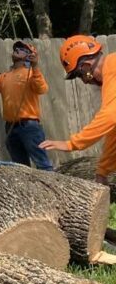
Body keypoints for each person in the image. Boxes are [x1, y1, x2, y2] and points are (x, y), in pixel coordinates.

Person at [40, 35, 115, 185]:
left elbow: (110, 116)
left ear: (86, 67)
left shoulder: (113, 66)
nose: (85, 82)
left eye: (80, 76)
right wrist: (102, 171)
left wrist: (72, 144)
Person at [0, 40, 53, 170]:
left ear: (29, 56)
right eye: (16, 48)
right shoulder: (4, 77)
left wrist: (35, 67)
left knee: (43, 165)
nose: (17, 49)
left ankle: (52, 189)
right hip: (11, 128)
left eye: (22, 49)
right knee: (20, 168)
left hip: (30, 126)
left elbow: (42, 89)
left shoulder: (31, 73)